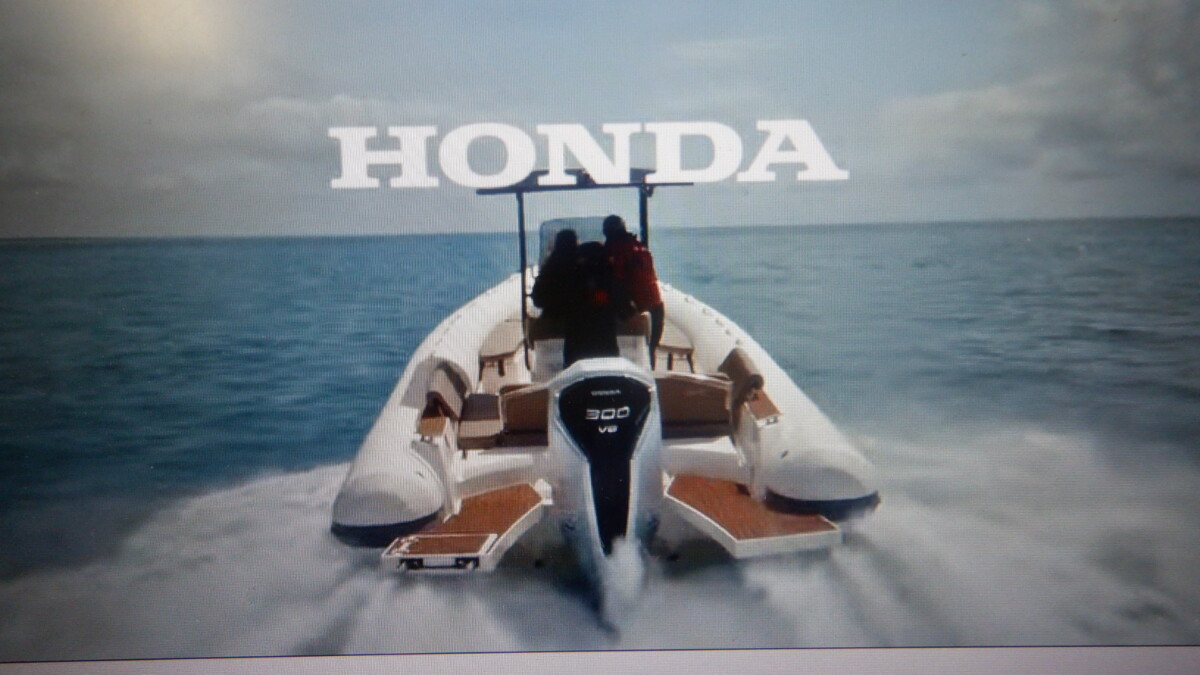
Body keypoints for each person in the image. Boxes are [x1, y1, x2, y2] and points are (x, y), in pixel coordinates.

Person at [603, 214, 665, 369]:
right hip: (656, 307)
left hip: (635, 309)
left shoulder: (615, 249)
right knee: (649, 351)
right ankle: (650, 371)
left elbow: (617, 282)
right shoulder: (638, 246)